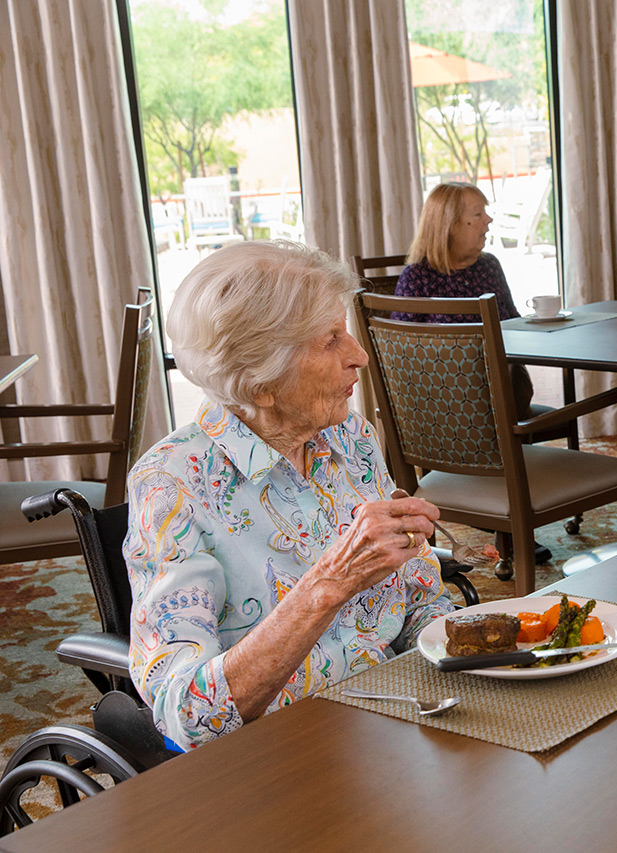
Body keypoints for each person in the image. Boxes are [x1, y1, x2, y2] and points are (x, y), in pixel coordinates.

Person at [125, 242, 455, 751]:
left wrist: (472, 658)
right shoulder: (172, 485)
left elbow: (419, 596)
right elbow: (185, 714)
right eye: (329, 341)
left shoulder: (349, 437)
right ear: (261, 383)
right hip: (277, 755)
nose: (359, 356)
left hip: (395, 718)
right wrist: (327, 585)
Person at [393, 181, 534, 418]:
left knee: (513, 377)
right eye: (477, 214)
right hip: (440, 403)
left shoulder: (489, 266)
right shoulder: (417, 277)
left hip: (504, 392)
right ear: (449, 226)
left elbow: (512, 322)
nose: (488, 220)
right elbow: (397, 352)